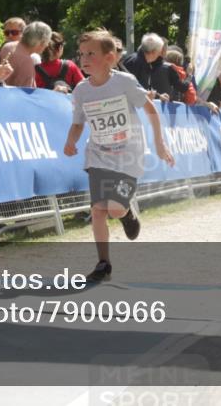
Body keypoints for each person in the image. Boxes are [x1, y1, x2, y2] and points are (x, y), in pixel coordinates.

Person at [63, 29, 174, 282]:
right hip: (98, 155)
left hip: (128, 156)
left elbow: (151, 110)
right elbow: (78, 122)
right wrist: (71, 140)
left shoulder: (124, 81)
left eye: (91, 53)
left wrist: (159, 144)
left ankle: (126, 214)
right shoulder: (81, 90)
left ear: (110, 57)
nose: (84, 58)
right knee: (98, 210)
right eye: (81, 54)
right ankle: (103, 264)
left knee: (114, 209)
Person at [122, 33, 189, 101]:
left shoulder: (142, 62)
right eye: (159, 51)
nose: (161, 55)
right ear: (153, 52)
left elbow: (141, 88)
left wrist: (159, 96)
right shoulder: (136, 62)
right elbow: (130, 89)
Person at [0, 21, 52, 88]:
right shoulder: (27, 61)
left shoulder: (7, 46)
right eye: (47, 41)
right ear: (40, 42)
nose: (47, 45)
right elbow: (26, 94)